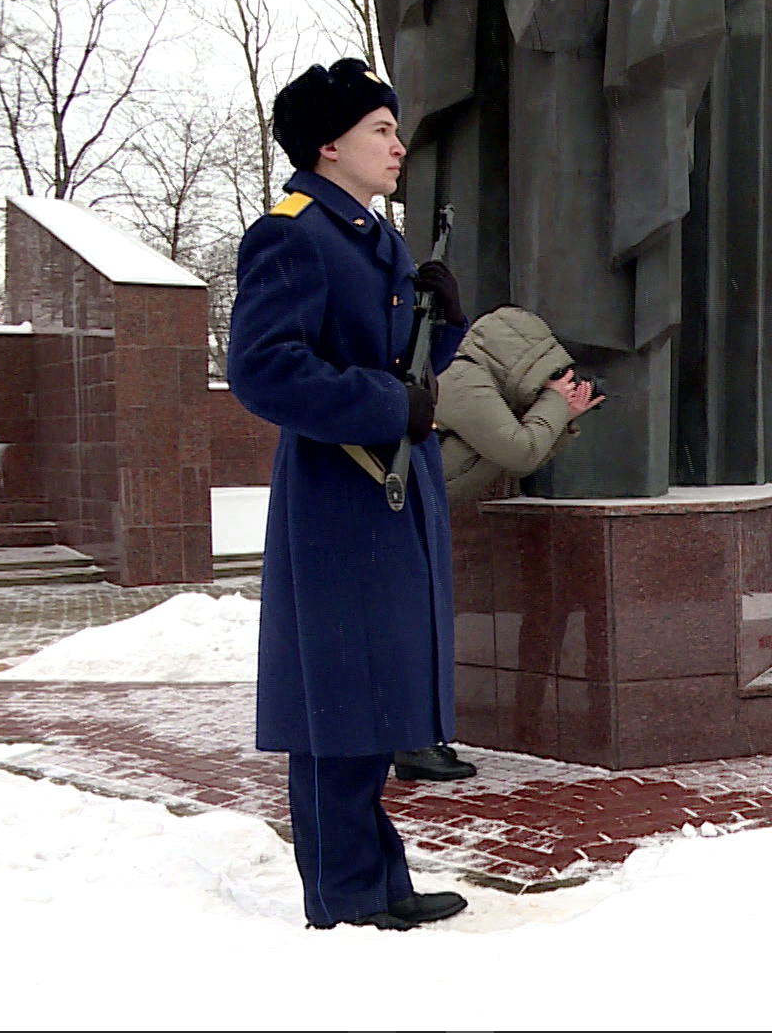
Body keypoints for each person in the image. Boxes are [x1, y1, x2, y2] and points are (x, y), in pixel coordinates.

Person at [227, 58, 467, 931]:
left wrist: (445, 325)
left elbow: (405, 373)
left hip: (392, 497)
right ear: (329, 145)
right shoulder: (292, 232)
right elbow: (261, 372)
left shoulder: (371, 234)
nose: (399, 145)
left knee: (378, 691)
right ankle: (345, 897)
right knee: (337, 702)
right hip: (341, 498)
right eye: (381, 129)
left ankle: (378, 877)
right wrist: (384, 404)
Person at [408, 304, 603, 782]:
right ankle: (410, 740)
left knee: (415, 629)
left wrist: (561, 413)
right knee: (412, 631)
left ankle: (412, 738)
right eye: (548, 373)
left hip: (416, 517)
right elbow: (517, 451)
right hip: (401, 519)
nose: (553, 382)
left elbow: (518, 454)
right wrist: (557, 405)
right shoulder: (465, 380)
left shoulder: (483, 384)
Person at [437, 305, 603, 505]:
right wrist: (553, 399)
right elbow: (520, 454)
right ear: (523, 363)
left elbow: (514, 468)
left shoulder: (493, 387)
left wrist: (563, 415)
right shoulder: (463, 380)